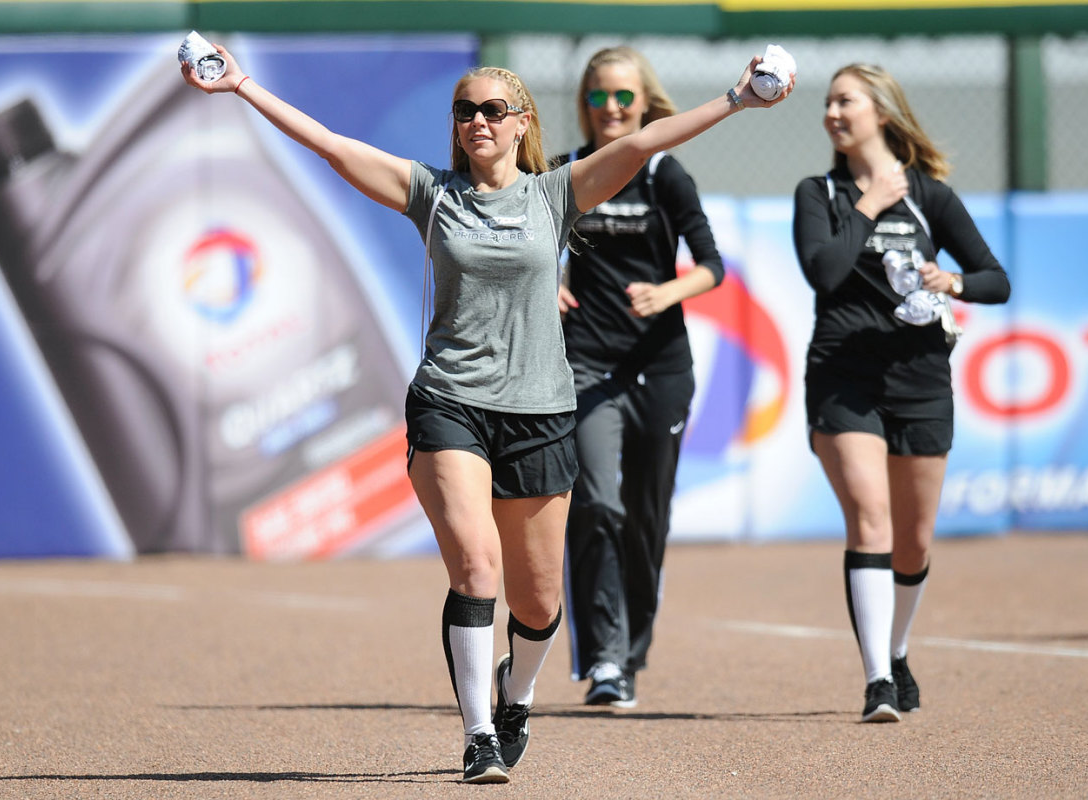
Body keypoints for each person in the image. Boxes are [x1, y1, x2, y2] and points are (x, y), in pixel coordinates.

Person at [183, 45, 793, 782]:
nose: (476, 120)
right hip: (450, 403)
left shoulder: (556, 194)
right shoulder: (432, 194)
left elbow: (639, 144)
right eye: (465, 110)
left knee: (536, 602)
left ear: (520, 124)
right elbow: (335, 148)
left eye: (492, 110)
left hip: (539, 411)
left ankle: (518, 691)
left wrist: (738, 99)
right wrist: (243, 85)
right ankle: (478, 735)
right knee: (476, 568)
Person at [791, 64, 1010, 723]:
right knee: (871, 520)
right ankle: (878, 680)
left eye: (845, 100)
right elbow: (824, 273)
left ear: (880, 113)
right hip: (842, 377)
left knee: (912, 542)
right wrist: (867, 204)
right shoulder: (818, 193)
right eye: (828, 101)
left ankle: (899, 647)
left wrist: (953, 284)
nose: (832, 111)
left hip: (920, 378)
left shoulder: (929, 195)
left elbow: (995, 278)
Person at [553, 46, 726, 709]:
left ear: (645, 102)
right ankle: (605, 661)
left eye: (625, 96)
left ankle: (630, 650)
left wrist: (671, 291)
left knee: (645, 520)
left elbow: (712, 263)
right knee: (598, 504)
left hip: (661, 370)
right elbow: (527, 248)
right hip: (586, 367)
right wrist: (549, 284)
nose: (613, 108)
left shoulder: (663, 173)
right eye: (601, 97)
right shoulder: (564, 172)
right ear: (586, 105)